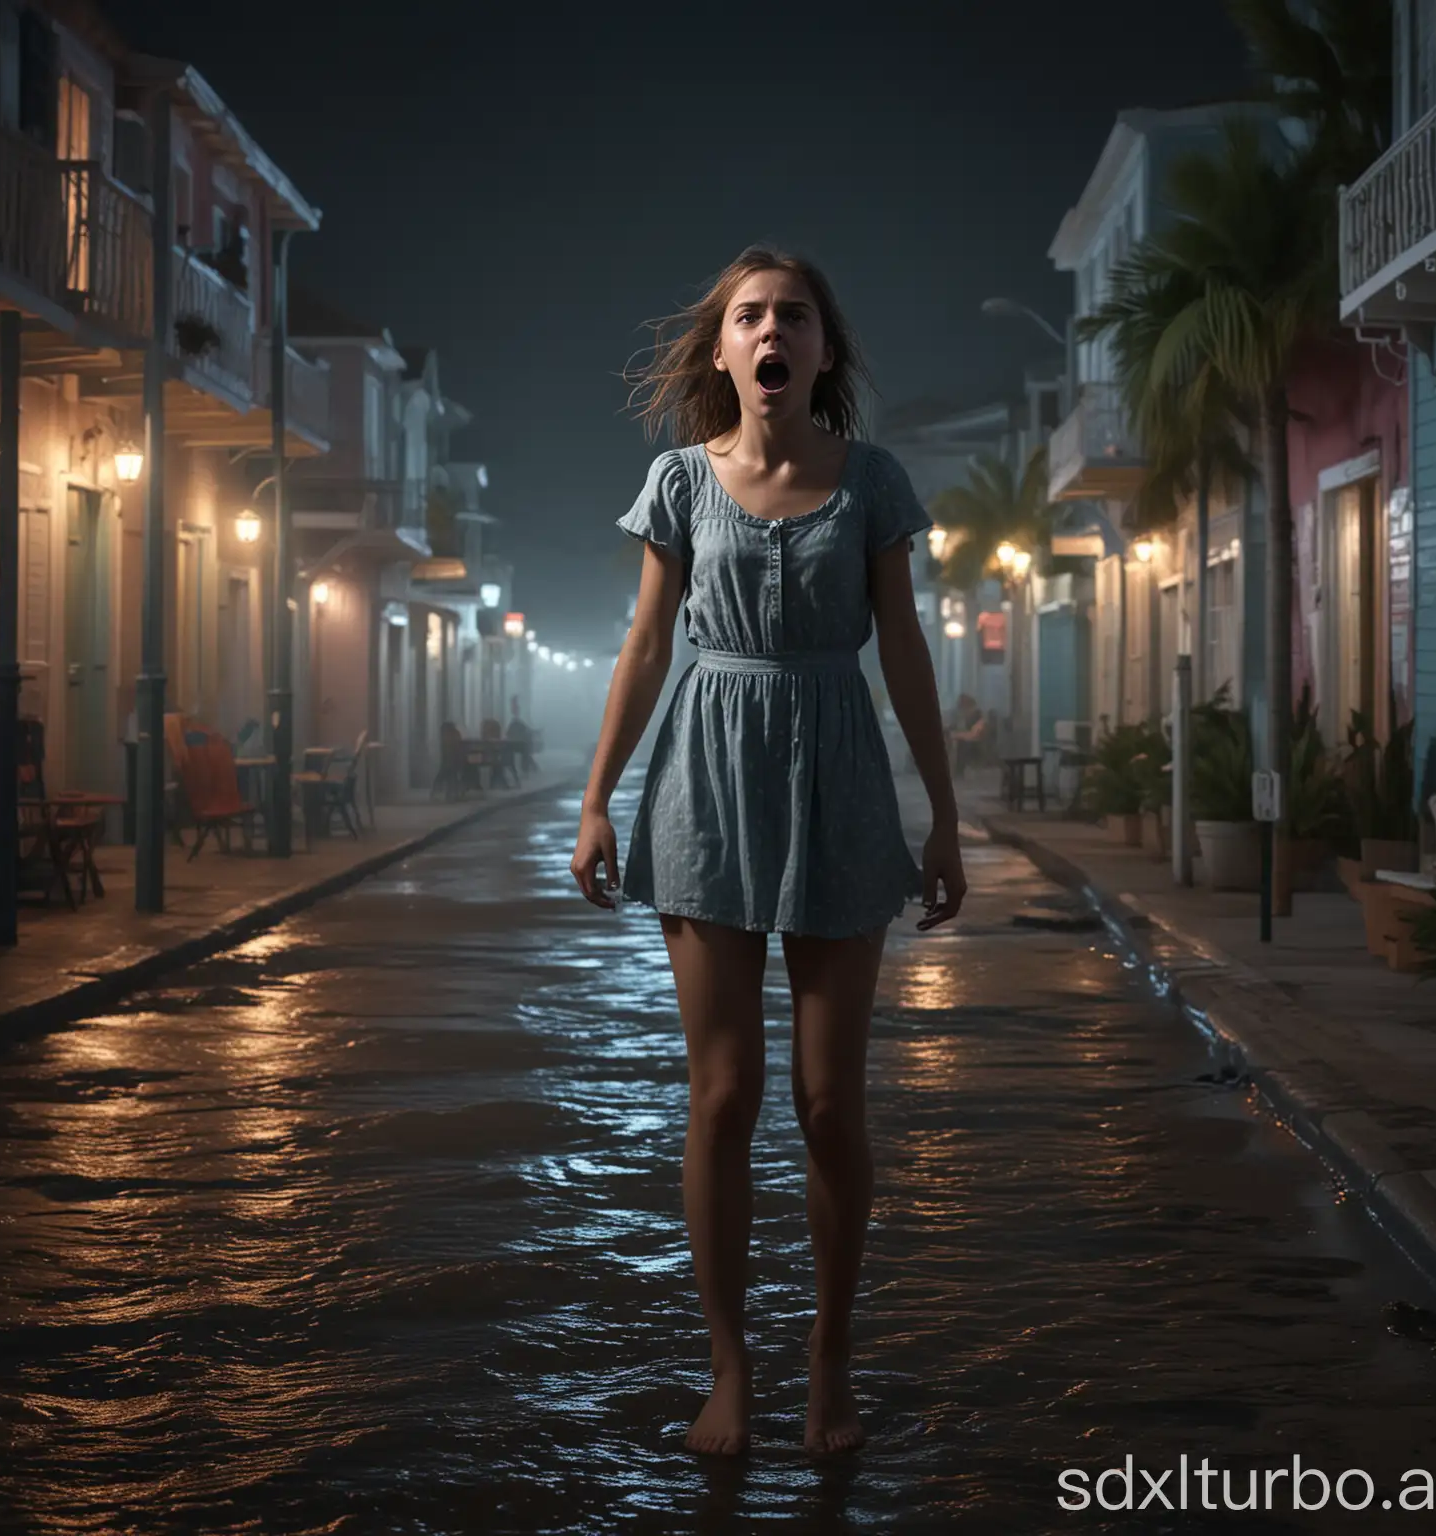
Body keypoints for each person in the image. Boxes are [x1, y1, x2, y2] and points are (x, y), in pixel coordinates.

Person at [571, 247, 966, 1457]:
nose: (771, 329)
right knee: (726, 1094)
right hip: (706, 781)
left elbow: (902, 652)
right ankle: (731, 1371)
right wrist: (594, 800)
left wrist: (942, 814)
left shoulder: (874, 483)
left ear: (820, 352)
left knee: (830, 1100)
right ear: (725, 353)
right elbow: (644, 648)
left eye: (792, 314)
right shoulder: (680, 483)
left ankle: (828, 1365)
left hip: (840, 778)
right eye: (749, 316)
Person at [504, 695, 536, 777]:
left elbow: (526, 730)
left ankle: (526, 769)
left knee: (526, 748)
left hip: (518, 743)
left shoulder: (518, 721)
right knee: (526, 749)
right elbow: (508, 733)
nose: (516, 709)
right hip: (511, 743)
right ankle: (525, 769)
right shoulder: (511, 720)